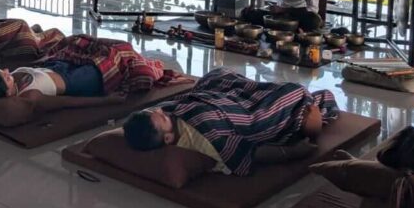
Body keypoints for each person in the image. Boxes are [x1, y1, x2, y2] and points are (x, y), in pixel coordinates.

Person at [122, 68, 336, 175]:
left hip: (219, 98)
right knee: (294, 92)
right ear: (168, 138)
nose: (161, 110)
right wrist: (294, 152)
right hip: (247, 113)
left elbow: (176, 103)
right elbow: (247, 154)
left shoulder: (166, 120)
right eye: (162, 117)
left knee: (216, 76)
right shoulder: (205, 137)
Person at [0, 34, 189, 108]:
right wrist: (107, 101)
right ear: (8, 92)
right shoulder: (29, 96)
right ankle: (148, 65)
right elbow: (67, 102)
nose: (7, 71)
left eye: (3, 71)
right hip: (79, 79)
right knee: (117, 51)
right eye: (6, 77)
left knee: (77, 40)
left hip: (59, 65)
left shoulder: (14, 81)